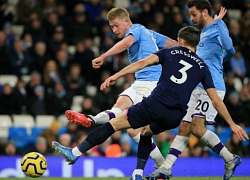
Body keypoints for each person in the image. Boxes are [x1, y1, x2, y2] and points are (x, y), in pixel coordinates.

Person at [52, 26, 249, 180]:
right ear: (195, 44)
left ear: (180, 41)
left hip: (155, 104)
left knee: (114, 124)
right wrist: (232, 124)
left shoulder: (169, 53)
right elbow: (215, 100)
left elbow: (142, 63)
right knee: (146, 132)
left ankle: (75, 152)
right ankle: (139, 173)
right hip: (175, 116)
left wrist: (117, 75)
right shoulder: (203, 67)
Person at [65, 6, 178, 169]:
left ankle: (162, 165)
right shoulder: (148, 33)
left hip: (152, 84)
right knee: (119, 105)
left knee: (134, 131)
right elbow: (173, 44)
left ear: (127, 21)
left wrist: (104, 56)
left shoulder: (137, 29)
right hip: (140, 82)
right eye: (111, 26)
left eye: (116, 25)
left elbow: (127, 42)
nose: (114, 29)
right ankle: (92, 120)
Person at [161, 1, 240, 180]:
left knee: (197, 128)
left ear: (205, 12)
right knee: (184, 126)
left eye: (194, 14)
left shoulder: (218, 27)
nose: (191, 18)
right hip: (196, 86)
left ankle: (229, 158)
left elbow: (229, 48)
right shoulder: (202, 33)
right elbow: (223, 54)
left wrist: (220, 23)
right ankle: (166, 167)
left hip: (212, 87)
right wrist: (219, 60)